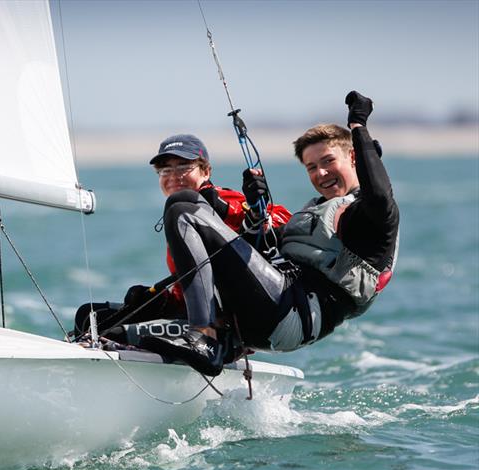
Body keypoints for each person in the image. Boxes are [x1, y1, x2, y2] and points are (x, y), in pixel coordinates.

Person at [142, 91, 400, 377]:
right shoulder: (314, 211)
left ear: (354, 158)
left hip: (289, 316)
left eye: (328, 161)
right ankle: (213, 340)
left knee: (181, 208)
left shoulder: (370, 219)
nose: (321, 173)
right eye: (311, 167)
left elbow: (378, 193)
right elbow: (256, 252)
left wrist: (358, 126)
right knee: (102, 320)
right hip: (264, 310)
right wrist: (251, 210)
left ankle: (204, 337)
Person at [72, 134, 289, 343]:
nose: (174, 176)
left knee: (114, 334)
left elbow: (282, 219)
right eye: (165, 169)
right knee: (89, 316)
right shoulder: (178, 214)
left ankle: (206, 339)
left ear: (206, 171)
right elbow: (196, 284)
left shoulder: (220, 199)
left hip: (230, 323)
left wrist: (239, 211)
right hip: (190, 313)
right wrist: (161, 302)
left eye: (184, 167)